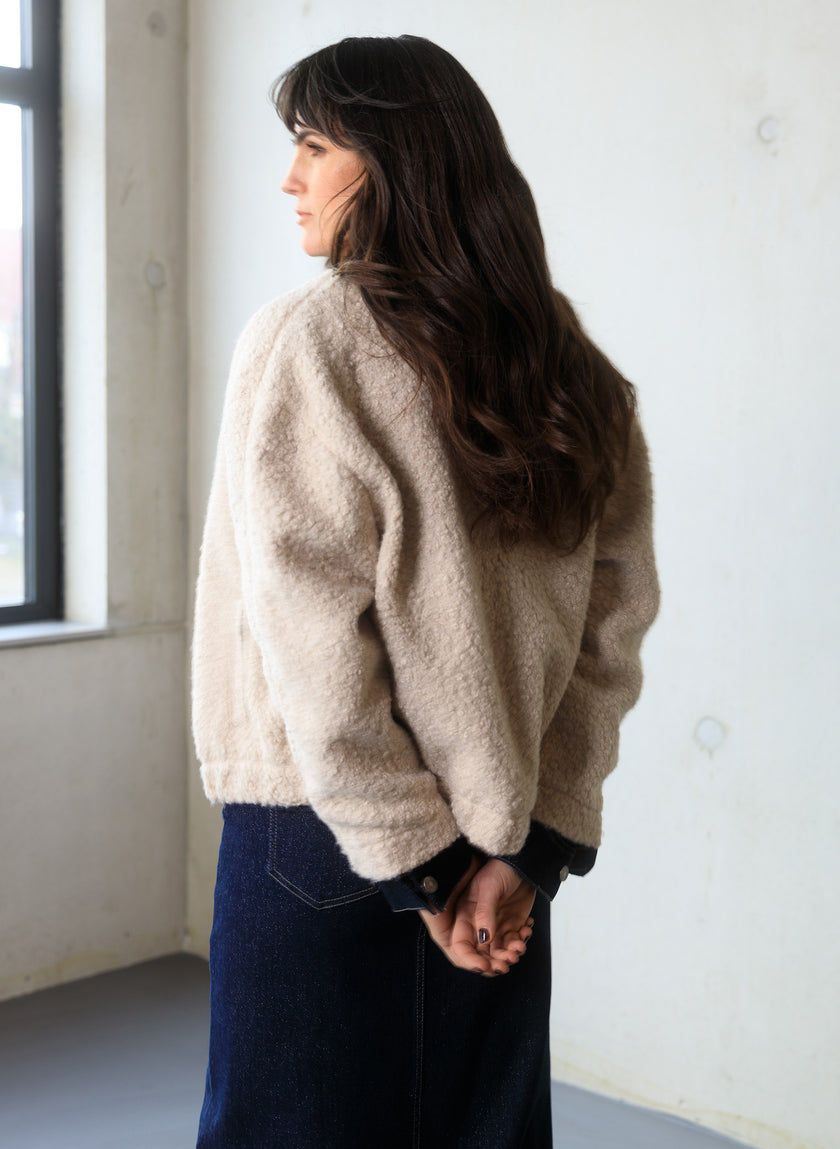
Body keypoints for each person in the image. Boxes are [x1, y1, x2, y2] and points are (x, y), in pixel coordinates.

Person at [192, 34, 659, 1149]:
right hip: (501, 847)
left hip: (318, 834)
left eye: (313, 145)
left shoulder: (312, 342)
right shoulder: (571, 366)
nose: (289, 179)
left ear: (395, 161)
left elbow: (310, 643)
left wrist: (424, 867)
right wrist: (522, 851)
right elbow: (614, 628)